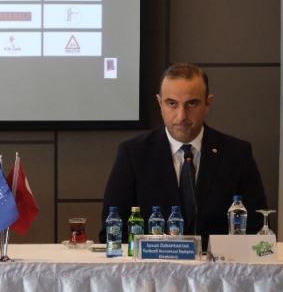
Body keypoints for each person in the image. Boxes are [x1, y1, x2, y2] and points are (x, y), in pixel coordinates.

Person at [100, 63, 267, 247]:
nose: (181, 116)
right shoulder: (133, 154)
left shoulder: (237, 154)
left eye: (192, 104)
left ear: (208, 103)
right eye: (172, 103)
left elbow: (256, 227)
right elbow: (112, 230)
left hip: (219, 263)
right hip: (153, 264)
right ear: (159, 103)